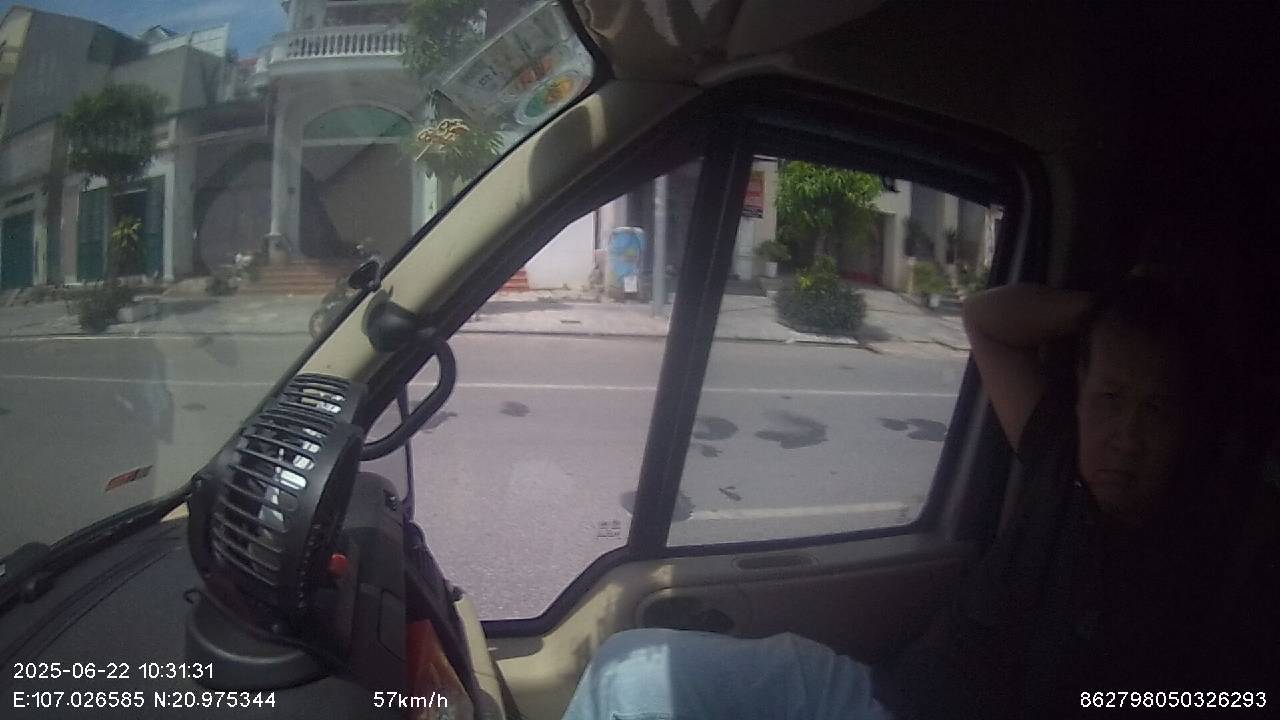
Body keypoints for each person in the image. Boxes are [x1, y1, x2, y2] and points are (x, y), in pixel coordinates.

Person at [559, 279, 1219, 720]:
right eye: (1111, 399)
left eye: (1157, 410)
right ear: (1080, 394)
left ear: (1191, 423)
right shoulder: (1059, 450)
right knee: (626, 669)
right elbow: (986, 318)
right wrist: (1110, 309)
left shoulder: (1194, 564)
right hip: (882, 693)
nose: (1126, 437)